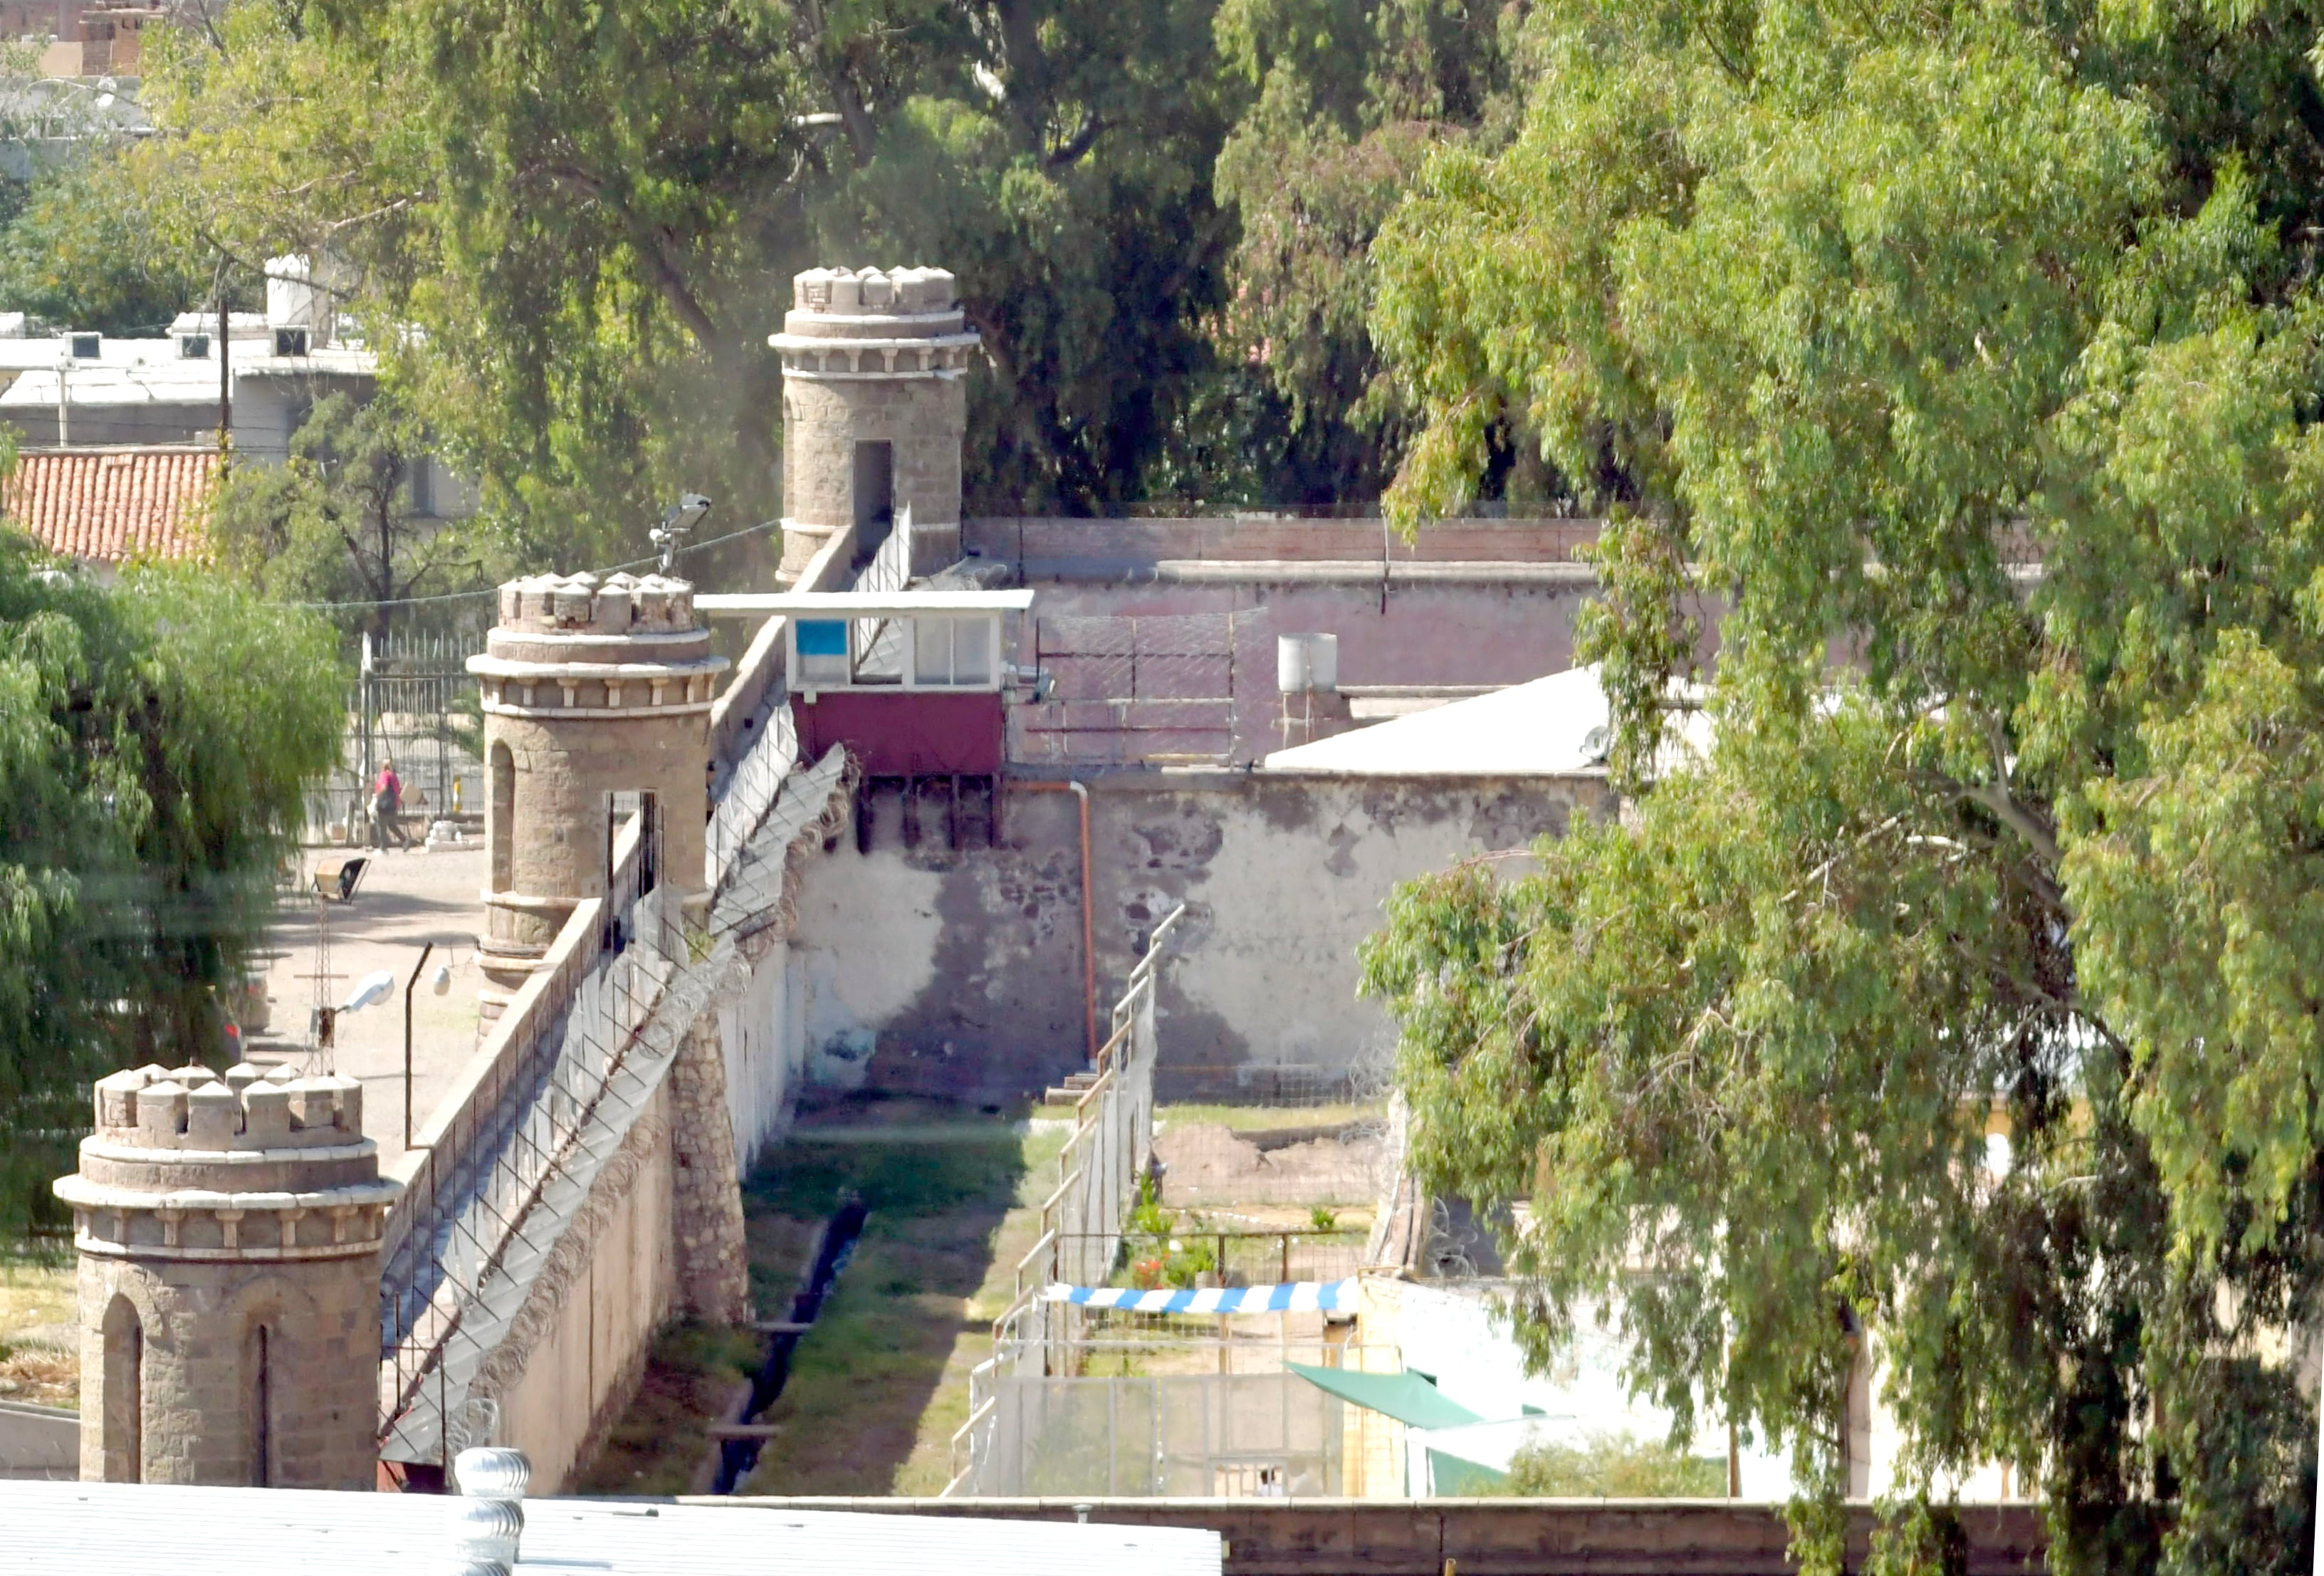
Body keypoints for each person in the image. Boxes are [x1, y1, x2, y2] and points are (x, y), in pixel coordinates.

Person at [372, 758, 414, 850]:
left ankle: (383, 848)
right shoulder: (394, 776)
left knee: (381, 826)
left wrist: (376, 795)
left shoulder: (384, 775)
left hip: (384, 804)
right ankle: (404, 840)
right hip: (393, 804)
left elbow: (384, 787)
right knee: (392, 825)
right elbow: (397, 790)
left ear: (383, 766)